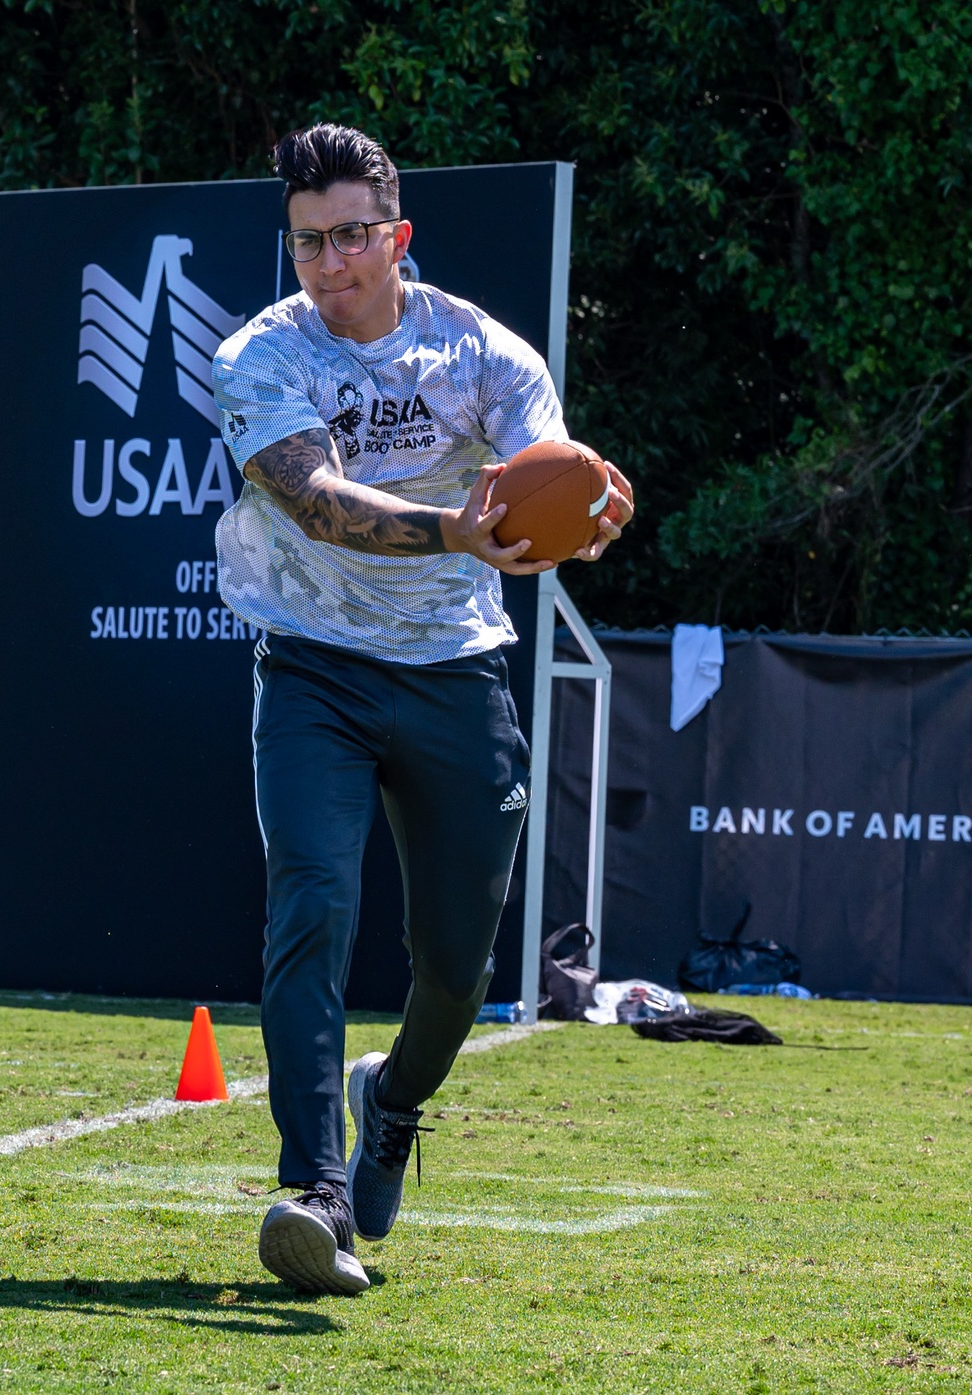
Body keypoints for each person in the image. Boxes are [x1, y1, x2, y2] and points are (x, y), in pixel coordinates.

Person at [209, 123, 634, 1295]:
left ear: (395, 236)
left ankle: (388, 1103)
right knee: (312, 899)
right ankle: (316, 1193)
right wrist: (451, 528)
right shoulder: (257, 354)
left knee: (454, 961)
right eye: (307, 242)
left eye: (351, 237)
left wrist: (588, 503)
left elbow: (550, 470)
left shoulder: (479, 350)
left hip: (453, 667)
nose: (330, 263)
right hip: (312, 663)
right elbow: (315, 500)